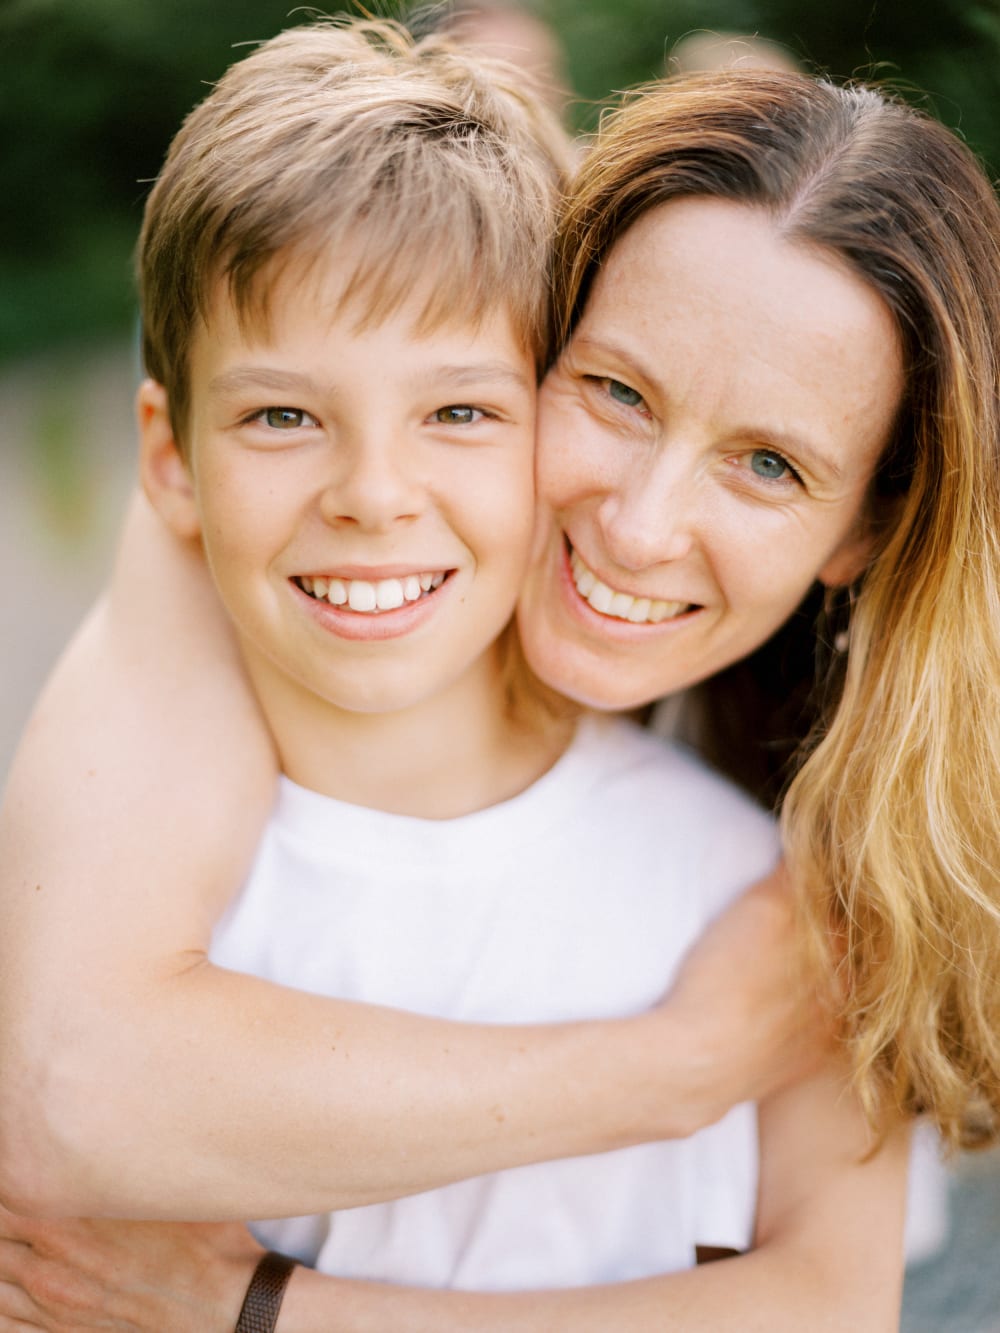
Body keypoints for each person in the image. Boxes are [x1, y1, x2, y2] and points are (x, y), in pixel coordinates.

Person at [5, 30, 999, 1329]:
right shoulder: (256, 547)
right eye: (616, 390)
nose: (641, 525)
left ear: (867, 530)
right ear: (538, 335)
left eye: (771, 466)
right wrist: (674, 1066)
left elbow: (824, 1298)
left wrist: (254, 1311)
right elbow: (72, 1092)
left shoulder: (826, 846)